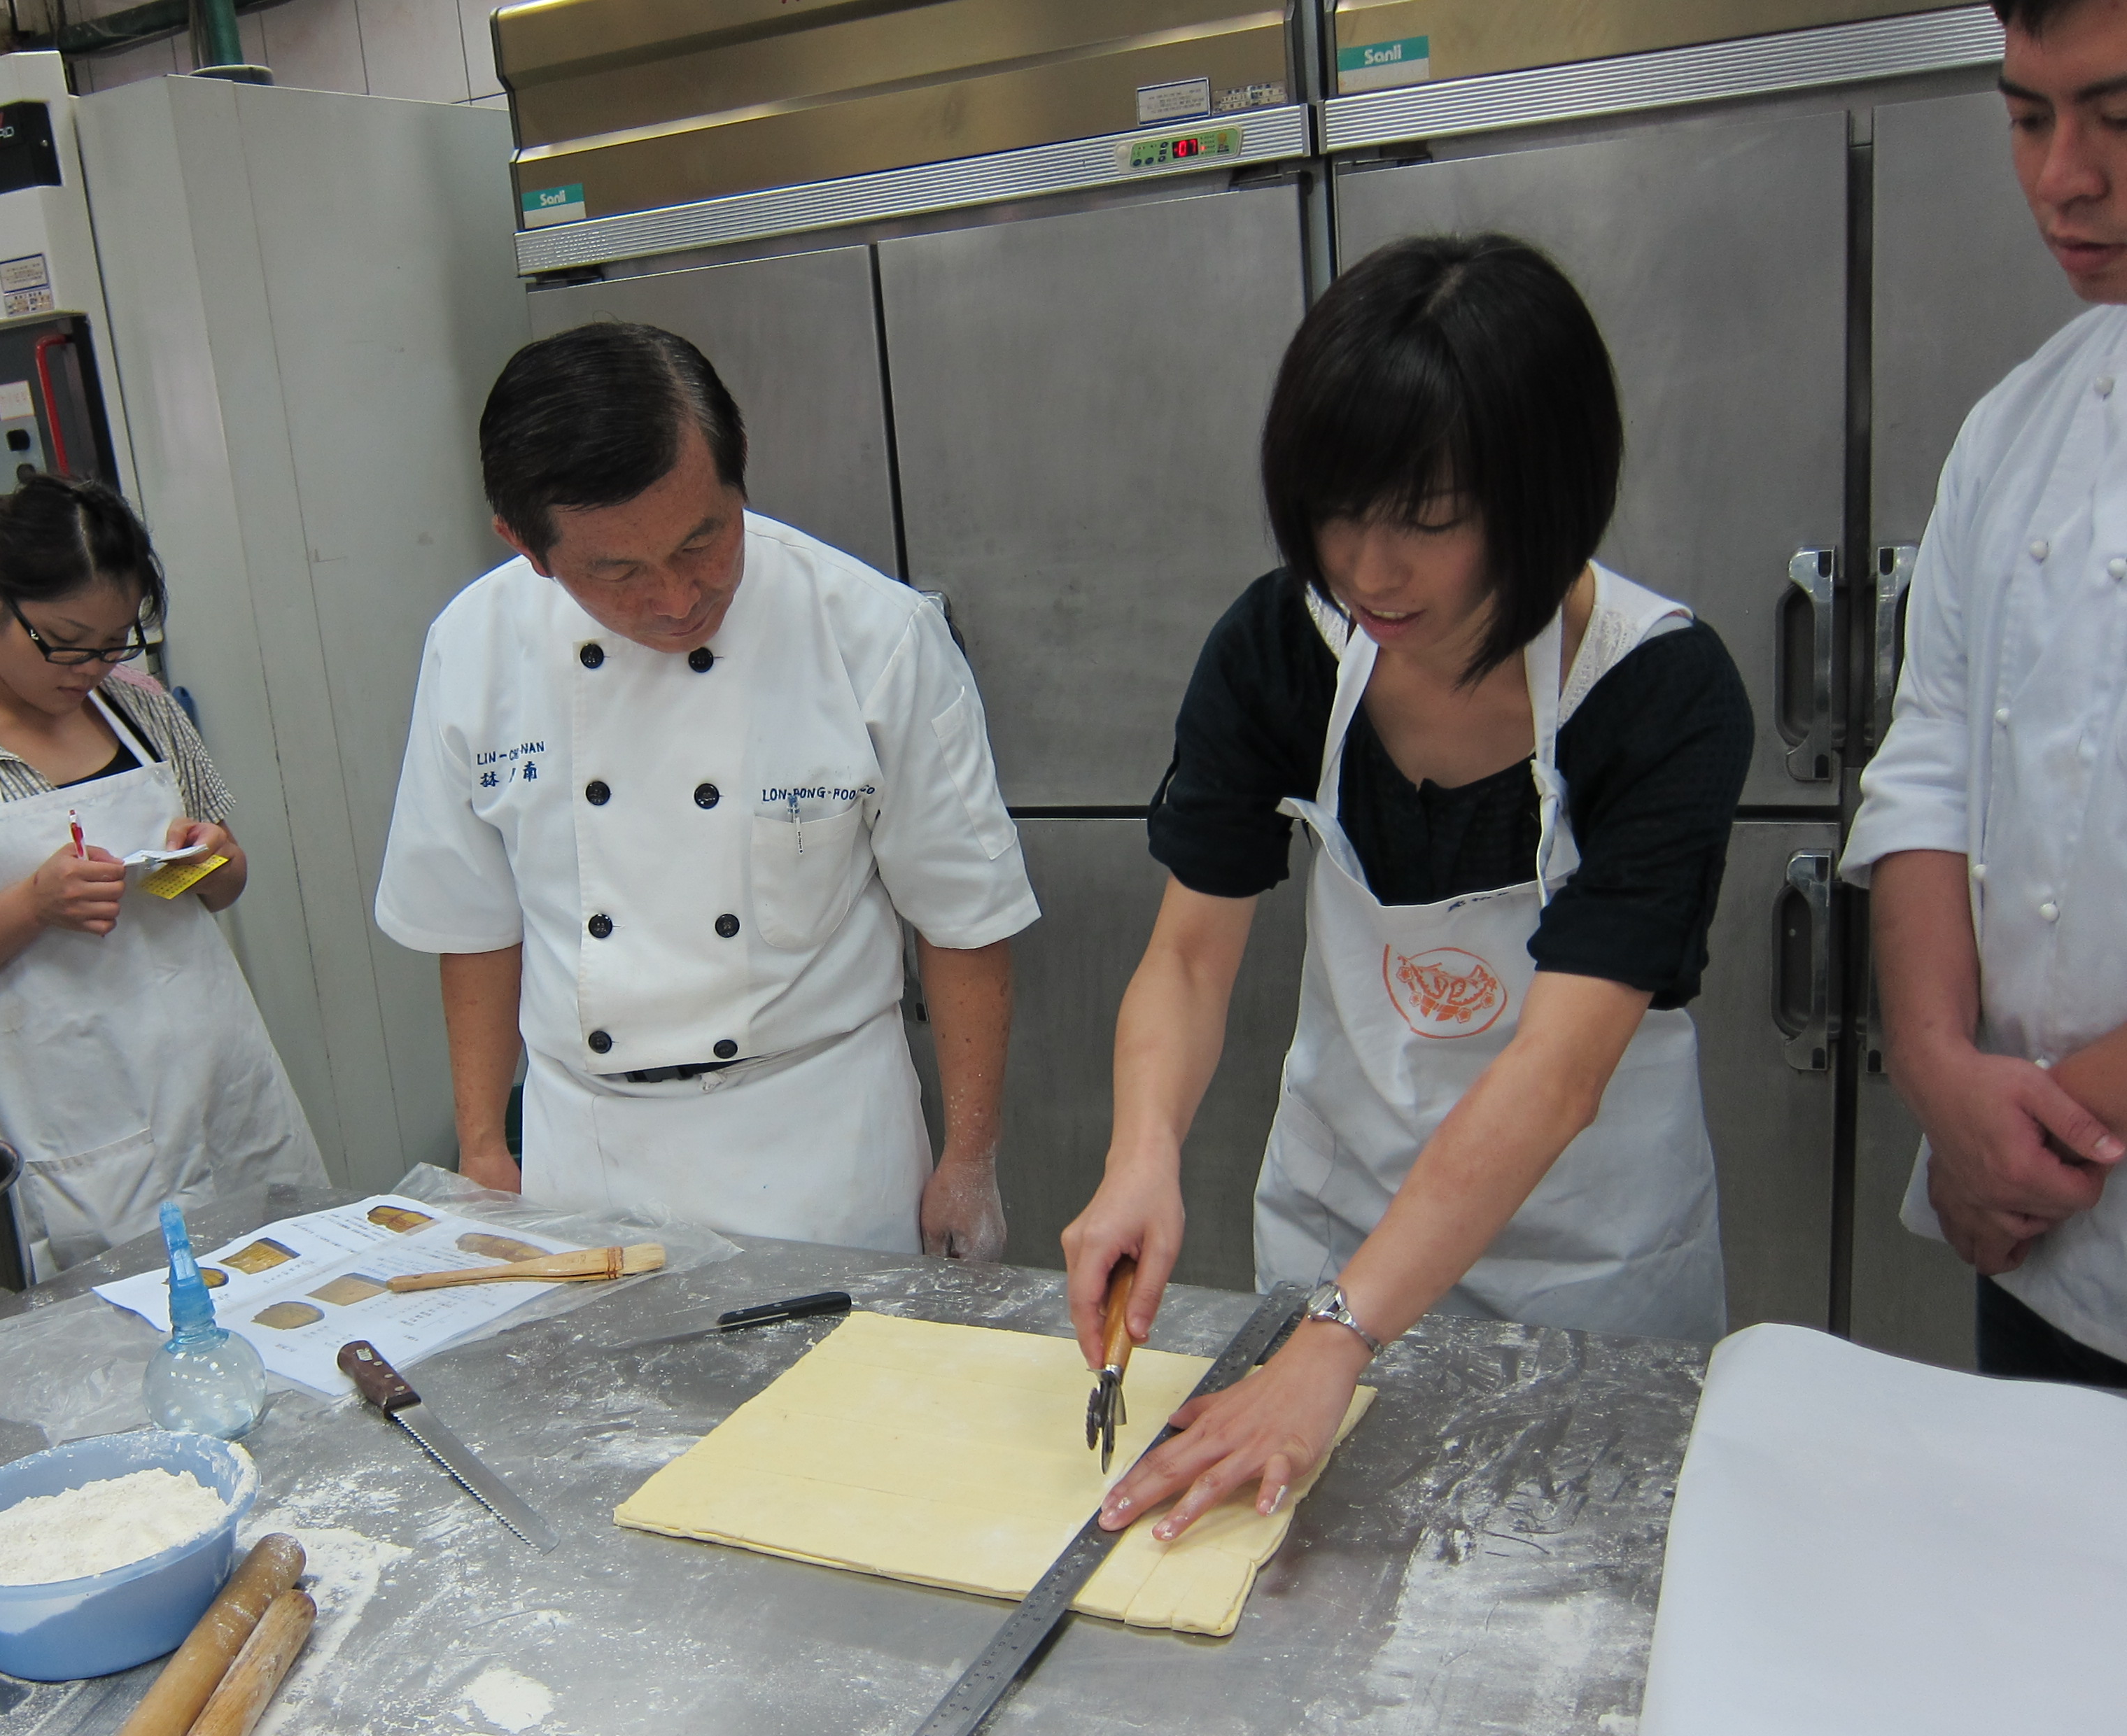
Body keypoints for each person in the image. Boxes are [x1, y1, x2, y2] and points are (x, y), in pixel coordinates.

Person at [1063, 235, 1753, 1541]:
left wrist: (1339, 1336)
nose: (1369, 571)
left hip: (1587, 1271)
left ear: (1544, 493)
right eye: (1335, 513)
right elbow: (1190, 957)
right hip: (1341, 1222)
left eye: (1426, 523)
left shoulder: (1658, 695)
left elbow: (1557, 1072)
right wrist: (1140, 1155)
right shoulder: (1280, 649)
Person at [374, 322, 1037, 1255]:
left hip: (821, 1156)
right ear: (526, 547)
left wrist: (969, 1160)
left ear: (740, 474)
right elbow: (472, 921)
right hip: (585, 1159)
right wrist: (484, 1147)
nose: (679, 598)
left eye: (704, 541)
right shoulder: (472, 649)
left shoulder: (871, 634)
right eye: (618, 572)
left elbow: (962, 912)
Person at [1845, 0, 2127, 1387]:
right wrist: (1934, 1072)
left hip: (2033, 1185)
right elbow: (1928, 766)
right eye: (2026, 117)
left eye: (2118, 118)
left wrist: (2025, 1140)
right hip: (2041, 1266)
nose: (2063, 178)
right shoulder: (2015, 427)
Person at [0, 475, 326, 1270]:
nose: (88, 669)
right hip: (75, 1123)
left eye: (112, 645)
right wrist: (31, 908)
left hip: (221, 1086)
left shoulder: (141, 707)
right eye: (64, 643)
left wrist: (204, 864)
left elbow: (221, 888)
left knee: (292, 1282)